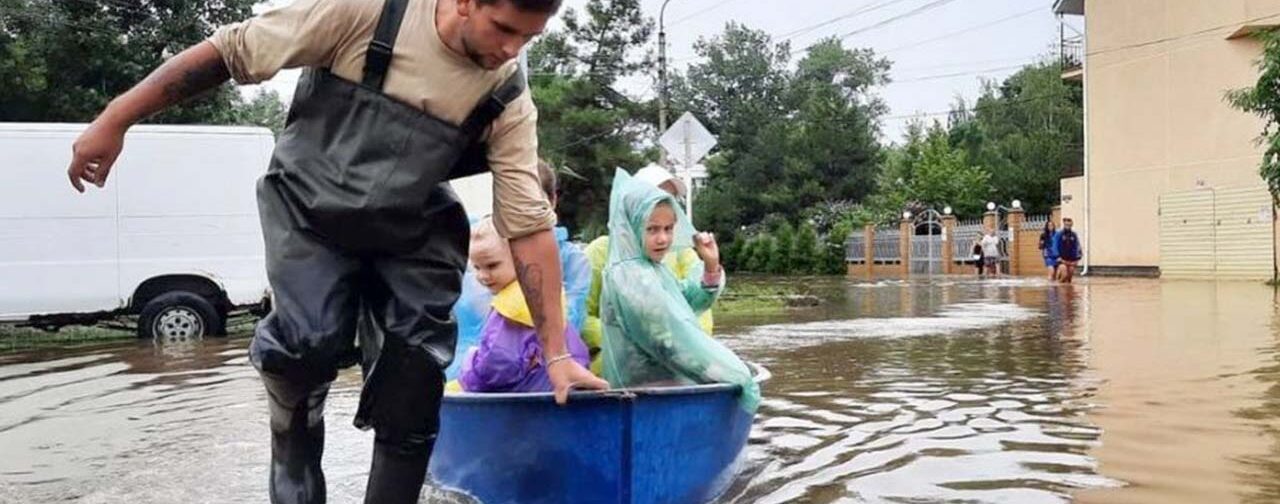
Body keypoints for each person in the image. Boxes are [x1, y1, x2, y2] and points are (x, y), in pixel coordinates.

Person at [64, 0, 606, 501]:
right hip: (310, 210)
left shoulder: (507, 94)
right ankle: (293, 434)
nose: (511, 49)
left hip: (413, 228)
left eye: (528, 38)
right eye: (504, 29)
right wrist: (117, 118)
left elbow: (528, 227)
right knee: (306, 348)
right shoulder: (367, 12)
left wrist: (557, 355)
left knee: (414, 381)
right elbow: (230, 51)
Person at [597, 169, 759, 412]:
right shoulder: (631, 275)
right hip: (644, 395)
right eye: (652, 229)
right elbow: (672, 337)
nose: (662, 239)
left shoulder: (648, 267)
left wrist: (711, 266)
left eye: (668, 229)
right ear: (632, 226)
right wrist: (732, 373)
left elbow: (685, 301)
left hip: (658, 389)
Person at [446, 159, 590, 379]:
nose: (483, 275)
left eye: (532, 202)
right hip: (470, 371)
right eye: (514, 202)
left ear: (552, 200)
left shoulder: (571, 260)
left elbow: (567, 321)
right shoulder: (478, 243)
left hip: (529, 374)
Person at [583, 165, 713, 372]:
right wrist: (627, 339)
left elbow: (698, 309)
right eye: (654, 197)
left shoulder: (682, 253)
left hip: (678, 362)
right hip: (617, 364)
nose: (662, 206)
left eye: (670, 199)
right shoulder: (601, 252)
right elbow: (579, 316)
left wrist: (712, 268)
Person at [459, 218, 591, 392]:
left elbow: (496, 367)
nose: (483, 276)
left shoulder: (512, 308)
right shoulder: (544, 293)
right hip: (560, 392)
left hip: (528, 401)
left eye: (492, 265)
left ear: (521, 257)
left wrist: (469, 368)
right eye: (477, 267)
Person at [1055, 218, 1083, 283]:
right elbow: (1055, 245)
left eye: (1069, 225)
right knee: (1064, 275)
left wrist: (1078, 257)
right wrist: (1057, 256)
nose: (1068, 226)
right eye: (1066, 225)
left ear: (1071, 225)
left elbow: (1077, 246)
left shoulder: (1074, 235)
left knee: (1069, 278)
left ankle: (1066, 289)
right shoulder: (1059, 234)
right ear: (1064, 225)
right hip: (1061, 259)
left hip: (1071, 259)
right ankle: (1057, 285)